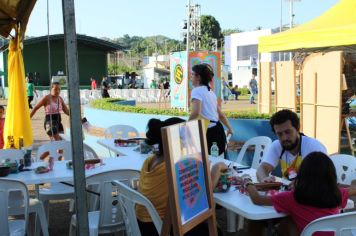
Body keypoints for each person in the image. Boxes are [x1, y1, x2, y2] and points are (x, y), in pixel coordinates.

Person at [136, 117, 223, 236]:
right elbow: (204, 193)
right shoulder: (176, 165)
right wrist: (217, 168)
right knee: (214, 230)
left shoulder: (150, 160)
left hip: (142, 225)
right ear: (178, 141)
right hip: (161, 228)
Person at [244, 152, 356, 235]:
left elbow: (257, 199)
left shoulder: (292, 197)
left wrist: (247, 182)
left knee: (287, 221)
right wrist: (343, 184)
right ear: (332, 176)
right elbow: (353, 188)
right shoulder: (337, 194)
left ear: (302, 174)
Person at [257, 109, 327, 182]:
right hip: (287, 191)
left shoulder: (314, 148)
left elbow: (322, 179)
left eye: (288, 132)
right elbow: (263, 168)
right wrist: (264, 179)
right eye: (279, 134)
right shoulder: (276, 145)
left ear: (297, 128)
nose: (284, 138)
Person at [188, 63, 233, 156]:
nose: (190, 77)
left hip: (208, 133)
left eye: (192, 74)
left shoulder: (196, 91)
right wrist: (230, 128)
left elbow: (196, 112)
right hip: (218, 131)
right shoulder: (210, 92)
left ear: (198, 77)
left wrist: (186, 126)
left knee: (207, 164)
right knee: (217, 161)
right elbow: (220, 115)